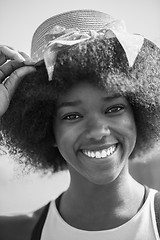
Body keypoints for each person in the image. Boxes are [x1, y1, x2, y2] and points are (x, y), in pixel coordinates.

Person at [0, 9, 160, 240]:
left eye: (114, 109)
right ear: (48, 130)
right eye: (72, 116)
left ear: (138, 115)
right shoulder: (14, 233)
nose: (97, 131)